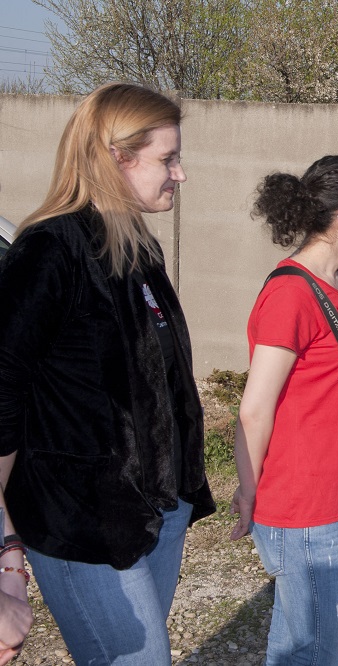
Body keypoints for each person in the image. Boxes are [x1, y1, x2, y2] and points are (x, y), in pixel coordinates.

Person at [0, 82, 215, 663]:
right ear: (116, 158)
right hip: (83, 523)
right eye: (167, 159)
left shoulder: (139, 252)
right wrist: (3, 550)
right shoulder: (50, 252)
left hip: (155, 513)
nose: (180, 174)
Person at [230, 155, 338, 664]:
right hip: (302, 507)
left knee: (302, 644)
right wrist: (250, 491)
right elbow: (255, 409)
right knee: (317, 652)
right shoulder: (291, 295)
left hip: (335, 495)